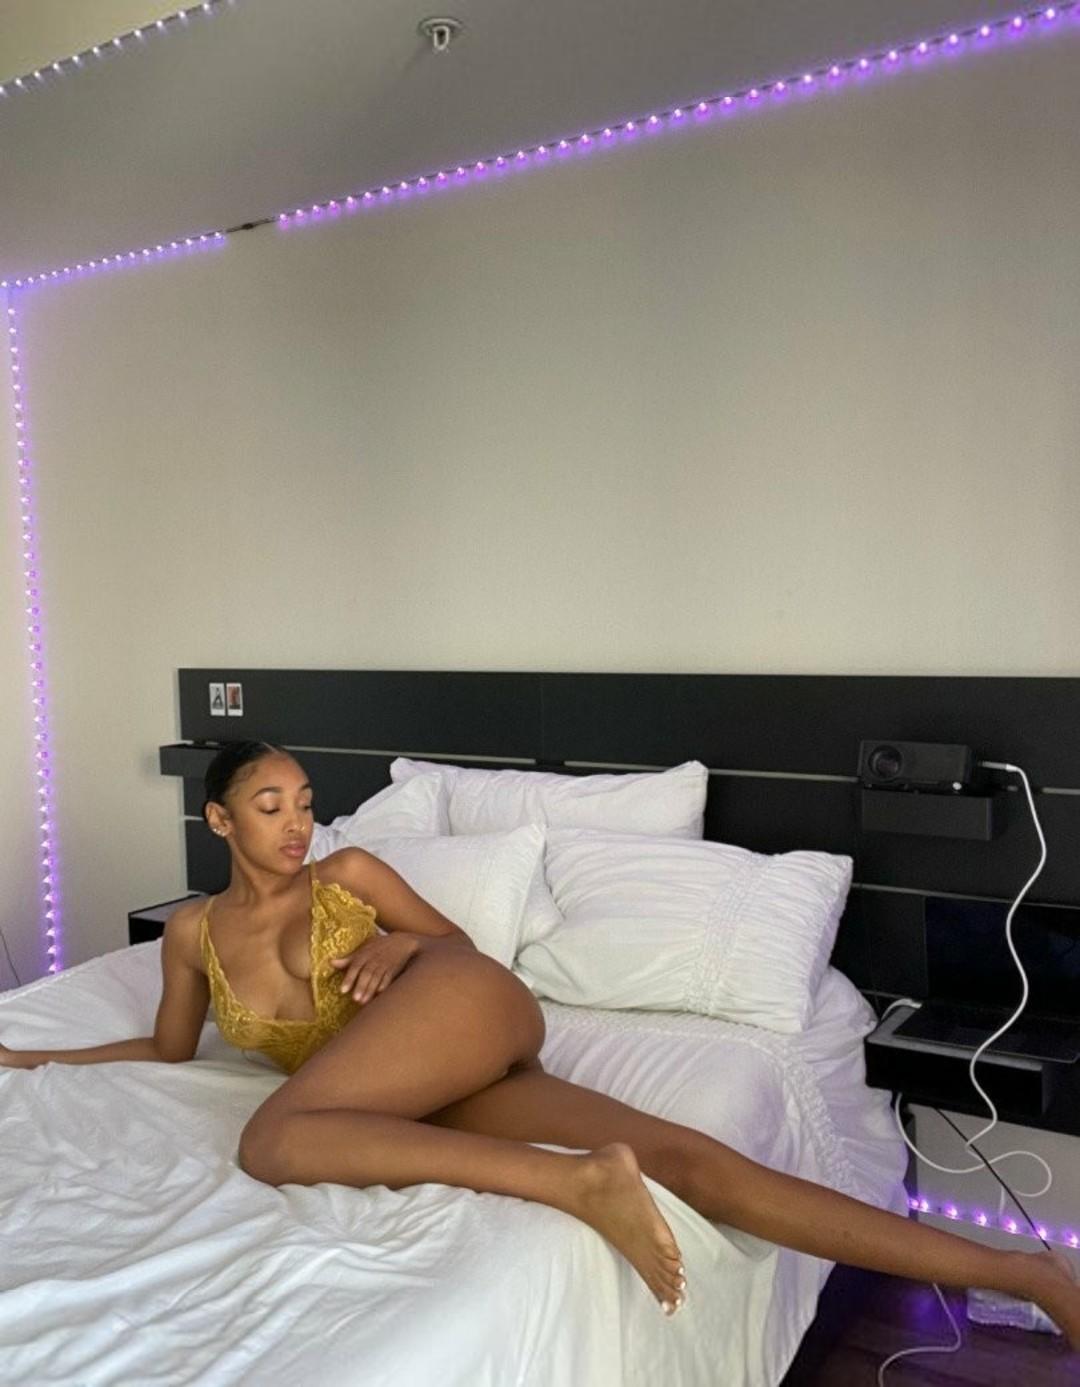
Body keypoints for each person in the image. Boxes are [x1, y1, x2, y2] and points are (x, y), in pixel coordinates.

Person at [2, 741, 1078, 1340]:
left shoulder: (350, 873)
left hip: (464, 1007)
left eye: (306, 802)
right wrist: (31, 1057)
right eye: (270, 805)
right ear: (220, 821)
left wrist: (399, 948)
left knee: (273, 1139)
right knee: (691, 1163)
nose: (296, 823)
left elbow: (458, 946)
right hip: (410, 1084)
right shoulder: (191, 934)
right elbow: (169, 1049)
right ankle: (1030, 1274)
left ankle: (576, 1183)